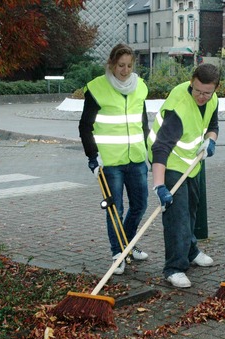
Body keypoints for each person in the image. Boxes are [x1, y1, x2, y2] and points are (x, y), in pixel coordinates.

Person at [78, 43, 150, 275]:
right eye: (121, 65)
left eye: (129, 65)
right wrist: (92, 156)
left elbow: (144, 123)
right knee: (115, 209)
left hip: (136, 158)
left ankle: (127, 244)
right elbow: (85, 126)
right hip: (110, 162)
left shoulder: (140, 87)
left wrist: (149, 150)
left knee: (140, 205)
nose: (125, 70)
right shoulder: (97, 88)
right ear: (111, 64)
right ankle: (117, 252)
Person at [147, 63, 219, 288]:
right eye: (197, 90)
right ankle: (174, 268)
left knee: (191, 209)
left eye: (207, 92)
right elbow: (160, 148)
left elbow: (213, 125)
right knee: (176, 216)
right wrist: (159, 186)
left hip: (191, 163)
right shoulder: (178, 109)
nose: (202, 96)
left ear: (216, 89)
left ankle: (190, 251)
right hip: (169, 163)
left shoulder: (212, 99)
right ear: (191, 82)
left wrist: (211, 140)